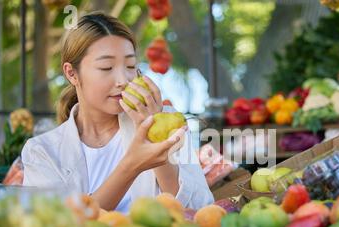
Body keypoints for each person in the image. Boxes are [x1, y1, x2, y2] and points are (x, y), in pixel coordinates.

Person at [21, 12, 214, 213]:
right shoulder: (41, 151)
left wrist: (157, 137)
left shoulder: (166, 120)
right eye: (106, 67)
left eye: (130, 66)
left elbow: (199, 211)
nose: (123, 79)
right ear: (72, 74)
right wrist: (131, 166)